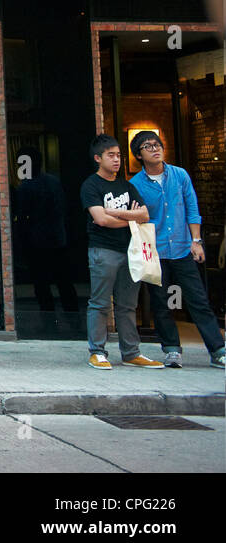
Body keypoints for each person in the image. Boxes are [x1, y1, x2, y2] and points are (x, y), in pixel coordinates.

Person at [128, 131, 224, 369]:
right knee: (160, 304)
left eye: (157, 144)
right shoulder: (135, 185)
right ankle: (171, 350)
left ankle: (218, 350)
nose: (154, 148)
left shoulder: (180, 175)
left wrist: (196, 240)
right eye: (147, 146)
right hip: (156, 252)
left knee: (198, 299)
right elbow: (137, 220)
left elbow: (192, 208)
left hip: (182, 248)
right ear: (139, 155)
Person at [80, 134, 163, 370]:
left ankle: (131, 352)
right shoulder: (91, 185)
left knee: (127, 305)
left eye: (118, 155)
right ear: (98, 158)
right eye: (111, 155)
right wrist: (130, 217)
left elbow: (145, 215)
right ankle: (97, 351)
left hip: (130, 250)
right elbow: (100, 220)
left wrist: (116, 214)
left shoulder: (127, 185)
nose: (117, 160)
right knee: (100, 303)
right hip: (103, 250)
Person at [9, 146, 77, 314]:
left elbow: (23, 216)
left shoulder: (25, 187)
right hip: (58, 238)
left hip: (36, 241)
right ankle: (72, 313)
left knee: (41, 282)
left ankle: (48, 316)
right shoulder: (54, 181)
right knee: (64, 281)